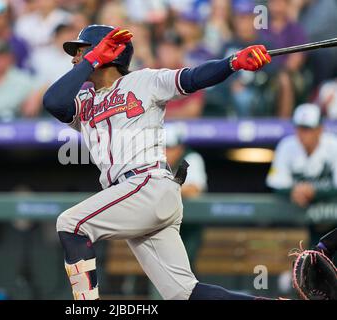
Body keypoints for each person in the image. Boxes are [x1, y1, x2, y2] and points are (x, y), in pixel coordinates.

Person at [43, 25, 271, 300]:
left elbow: (192, 78)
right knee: (184, 294)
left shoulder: (144, 81)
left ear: (107, 53)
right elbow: (53, 102)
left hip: (147, 183)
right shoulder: (84, 101)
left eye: (81, 50)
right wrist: (92, 58)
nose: (74, 59)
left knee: (71, 225)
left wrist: (232, 63)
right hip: (135, 197)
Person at [266, 103, 337, 208]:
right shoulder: (286, 146)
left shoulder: (333, 145)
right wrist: (293, 192)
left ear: (319, 130)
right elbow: (275, 184)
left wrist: (315, 193)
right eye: (299, 128)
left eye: (307, 129)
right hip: (294, 210)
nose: (301, 134)